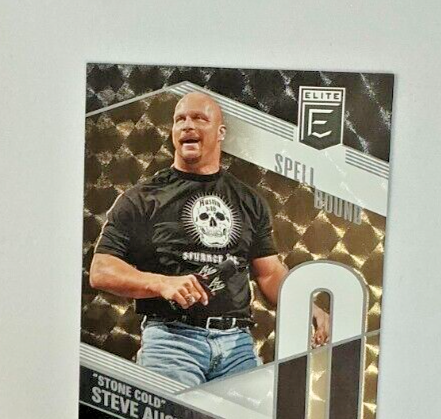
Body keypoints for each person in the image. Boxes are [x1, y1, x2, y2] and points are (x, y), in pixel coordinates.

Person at [89, 92, 329, 387]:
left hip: (237, 345)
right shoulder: (142, 198)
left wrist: (307, 307)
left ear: (220, 132)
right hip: (171, 342)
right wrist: (161, 283)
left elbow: (269, 273)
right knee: (177, 417)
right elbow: (101, 270)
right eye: (180, 119)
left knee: (248, 417)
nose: (187, 125)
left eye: (199, 118)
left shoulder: (249, 200)